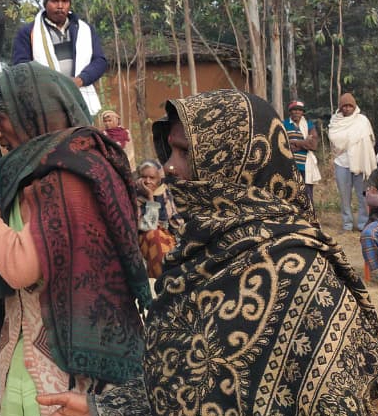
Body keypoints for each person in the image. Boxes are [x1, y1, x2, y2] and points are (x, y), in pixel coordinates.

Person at [39, 89, 378, 416]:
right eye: (170, 151)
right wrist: (107, 408)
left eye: (185, 153)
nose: (169, 167)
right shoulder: (201, 253)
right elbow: (184, 384)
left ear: (236, 163)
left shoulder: (300, 272)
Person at [0, 64, 150, 413]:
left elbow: (20, 267)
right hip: (69, 366)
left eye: (1, 118)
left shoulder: (62, 177)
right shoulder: (88, 163)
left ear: (29, 114)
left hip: (48, 375)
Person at [12, 0, 107, 114]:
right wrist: (49, 84)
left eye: (65, 1)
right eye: (55, 1)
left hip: (80, 99)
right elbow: (21, 67)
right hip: (45, 103)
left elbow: (100, 61)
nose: (60, 6)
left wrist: (80, 80)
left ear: (70, 4)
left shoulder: (85, 30)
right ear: (45, 4)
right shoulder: (29, 32)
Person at [328, 92, 376, 232]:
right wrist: (351, 141)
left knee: (363, 196)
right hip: (341, 163)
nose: (347, 108)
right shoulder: (335, 121)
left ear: (354, 107)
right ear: (340, 107)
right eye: (345, 106)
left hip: (360, 163)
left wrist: (362, 152)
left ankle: (363, 224)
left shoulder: (362, 121)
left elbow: (370, 140)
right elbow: (335, 140)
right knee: (344, 196)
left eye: (350, 106)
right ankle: (347, 224)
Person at [134, 159, 179, 278]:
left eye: (152, 177)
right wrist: (150, 197)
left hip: (166, 235)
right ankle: (162, 278)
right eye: (144, 177)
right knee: (155, 236)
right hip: (145, 238)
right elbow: (149, 226)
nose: (147, 181)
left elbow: (175, 221)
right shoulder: (134, 196)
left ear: (159, 179)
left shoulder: (164, 192)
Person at [283, 99, 321, 214]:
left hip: (306, 166)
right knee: (291, 193)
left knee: (307, 194)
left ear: (302, 112)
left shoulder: (309, 125)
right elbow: (283, 144)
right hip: (289, 165)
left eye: (299, 110)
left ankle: (309, 216)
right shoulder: (284, 124)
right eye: (294, 110)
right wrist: (305, 143)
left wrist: (294, 142)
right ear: (290, 112)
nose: (296, 112)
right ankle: (294, 216)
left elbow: (313, 145)